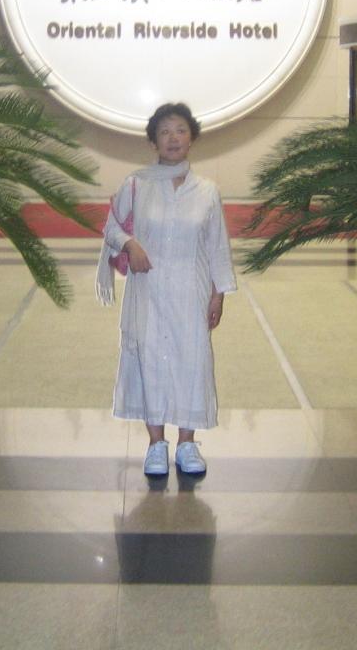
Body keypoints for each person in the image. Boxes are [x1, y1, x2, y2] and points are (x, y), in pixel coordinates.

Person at [96, 102, 237, 477]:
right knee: (151, 359)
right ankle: (156, 444)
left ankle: (187, 443)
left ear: (191, 138)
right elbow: (111, 227)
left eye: (180, 130)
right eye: (164, 131)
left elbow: (217, 245)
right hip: (148, 290)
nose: (173, 138)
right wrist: (130, 244)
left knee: (192, 361)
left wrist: (218, 293)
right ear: (153, 141)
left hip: (191, 292)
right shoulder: (137, 185)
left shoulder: (207, 191)